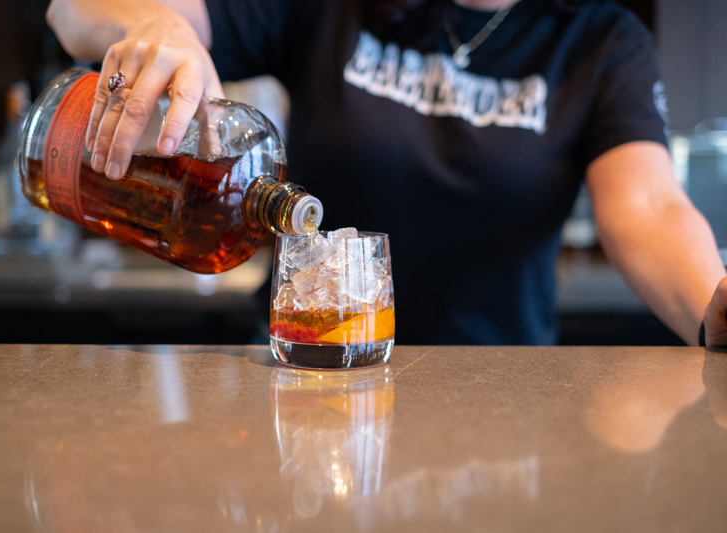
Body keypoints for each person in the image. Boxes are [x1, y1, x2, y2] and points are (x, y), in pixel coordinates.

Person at [46, 0, 727, 346]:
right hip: (307, 378)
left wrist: (713, 305)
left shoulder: (601, 41)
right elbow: (72, 8)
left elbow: (649, 206)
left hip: (502, 407)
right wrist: (161, 26)